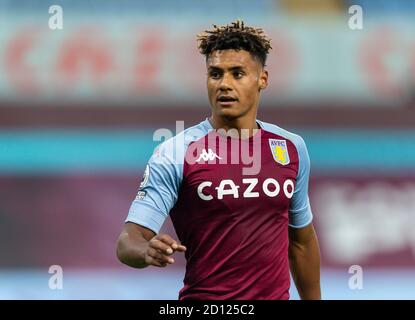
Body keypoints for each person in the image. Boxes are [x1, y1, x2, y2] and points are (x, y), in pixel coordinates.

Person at [116, 20, 321, 300]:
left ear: (262, 79)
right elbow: (129, 241)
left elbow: (301, 241)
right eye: (215, 74)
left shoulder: (290, 147)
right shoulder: (175, 153)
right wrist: (146, 250)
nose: (224, 84)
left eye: (238, 74)